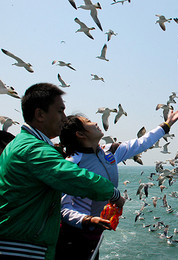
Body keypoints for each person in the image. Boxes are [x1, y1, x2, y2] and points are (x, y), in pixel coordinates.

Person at [0, 83, 125, 260]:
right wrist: (113, 194)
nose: (65, 118)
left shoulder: (18, 144)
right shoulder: (33, 149)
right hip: (23, 248)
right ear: (40, 114)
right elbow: (74, 177)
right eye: (60, 111)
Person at [55, 108, 178, 259]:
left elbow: (141, 143)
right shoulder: (72, 164)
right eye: (89, 122)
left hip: (95, 231)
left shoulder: (109, 151)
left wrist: (167, 124)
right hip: (73, 235)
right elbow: (63, 207)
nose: (96, 122)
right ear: (80, 134)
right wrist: (86, 220)